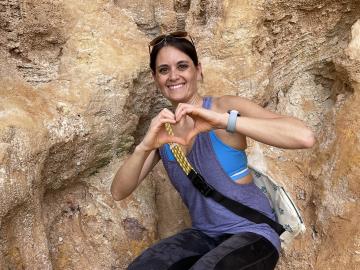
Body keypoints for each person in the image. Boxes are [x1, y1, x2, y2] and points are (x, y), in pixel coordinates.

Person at [111, 32, 315, 270]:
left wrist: (222, 121)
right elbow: (118, 191)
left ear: (198, 70)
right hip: (204, 235)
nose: (173, 76)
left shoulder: (224, 108)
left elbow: (303, 136)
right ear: (155, 78)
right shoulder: (163, 132)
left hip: (253, 233)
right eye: (164, 70)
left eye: (182, 66)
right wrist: (145, 145)